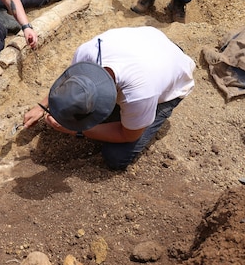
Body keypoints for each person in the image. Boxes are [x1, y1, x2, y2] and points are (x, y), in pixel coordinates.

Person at [22, 26, 195, 170]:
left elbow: (128, 135)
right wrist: (43, 105)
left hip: (175, 73)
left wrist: (77, 130)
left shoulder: (139, 93)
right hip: (151, 43)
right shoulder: (86, 53)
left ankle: (155, 110)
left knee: (116, 157)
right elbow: (70, 79)